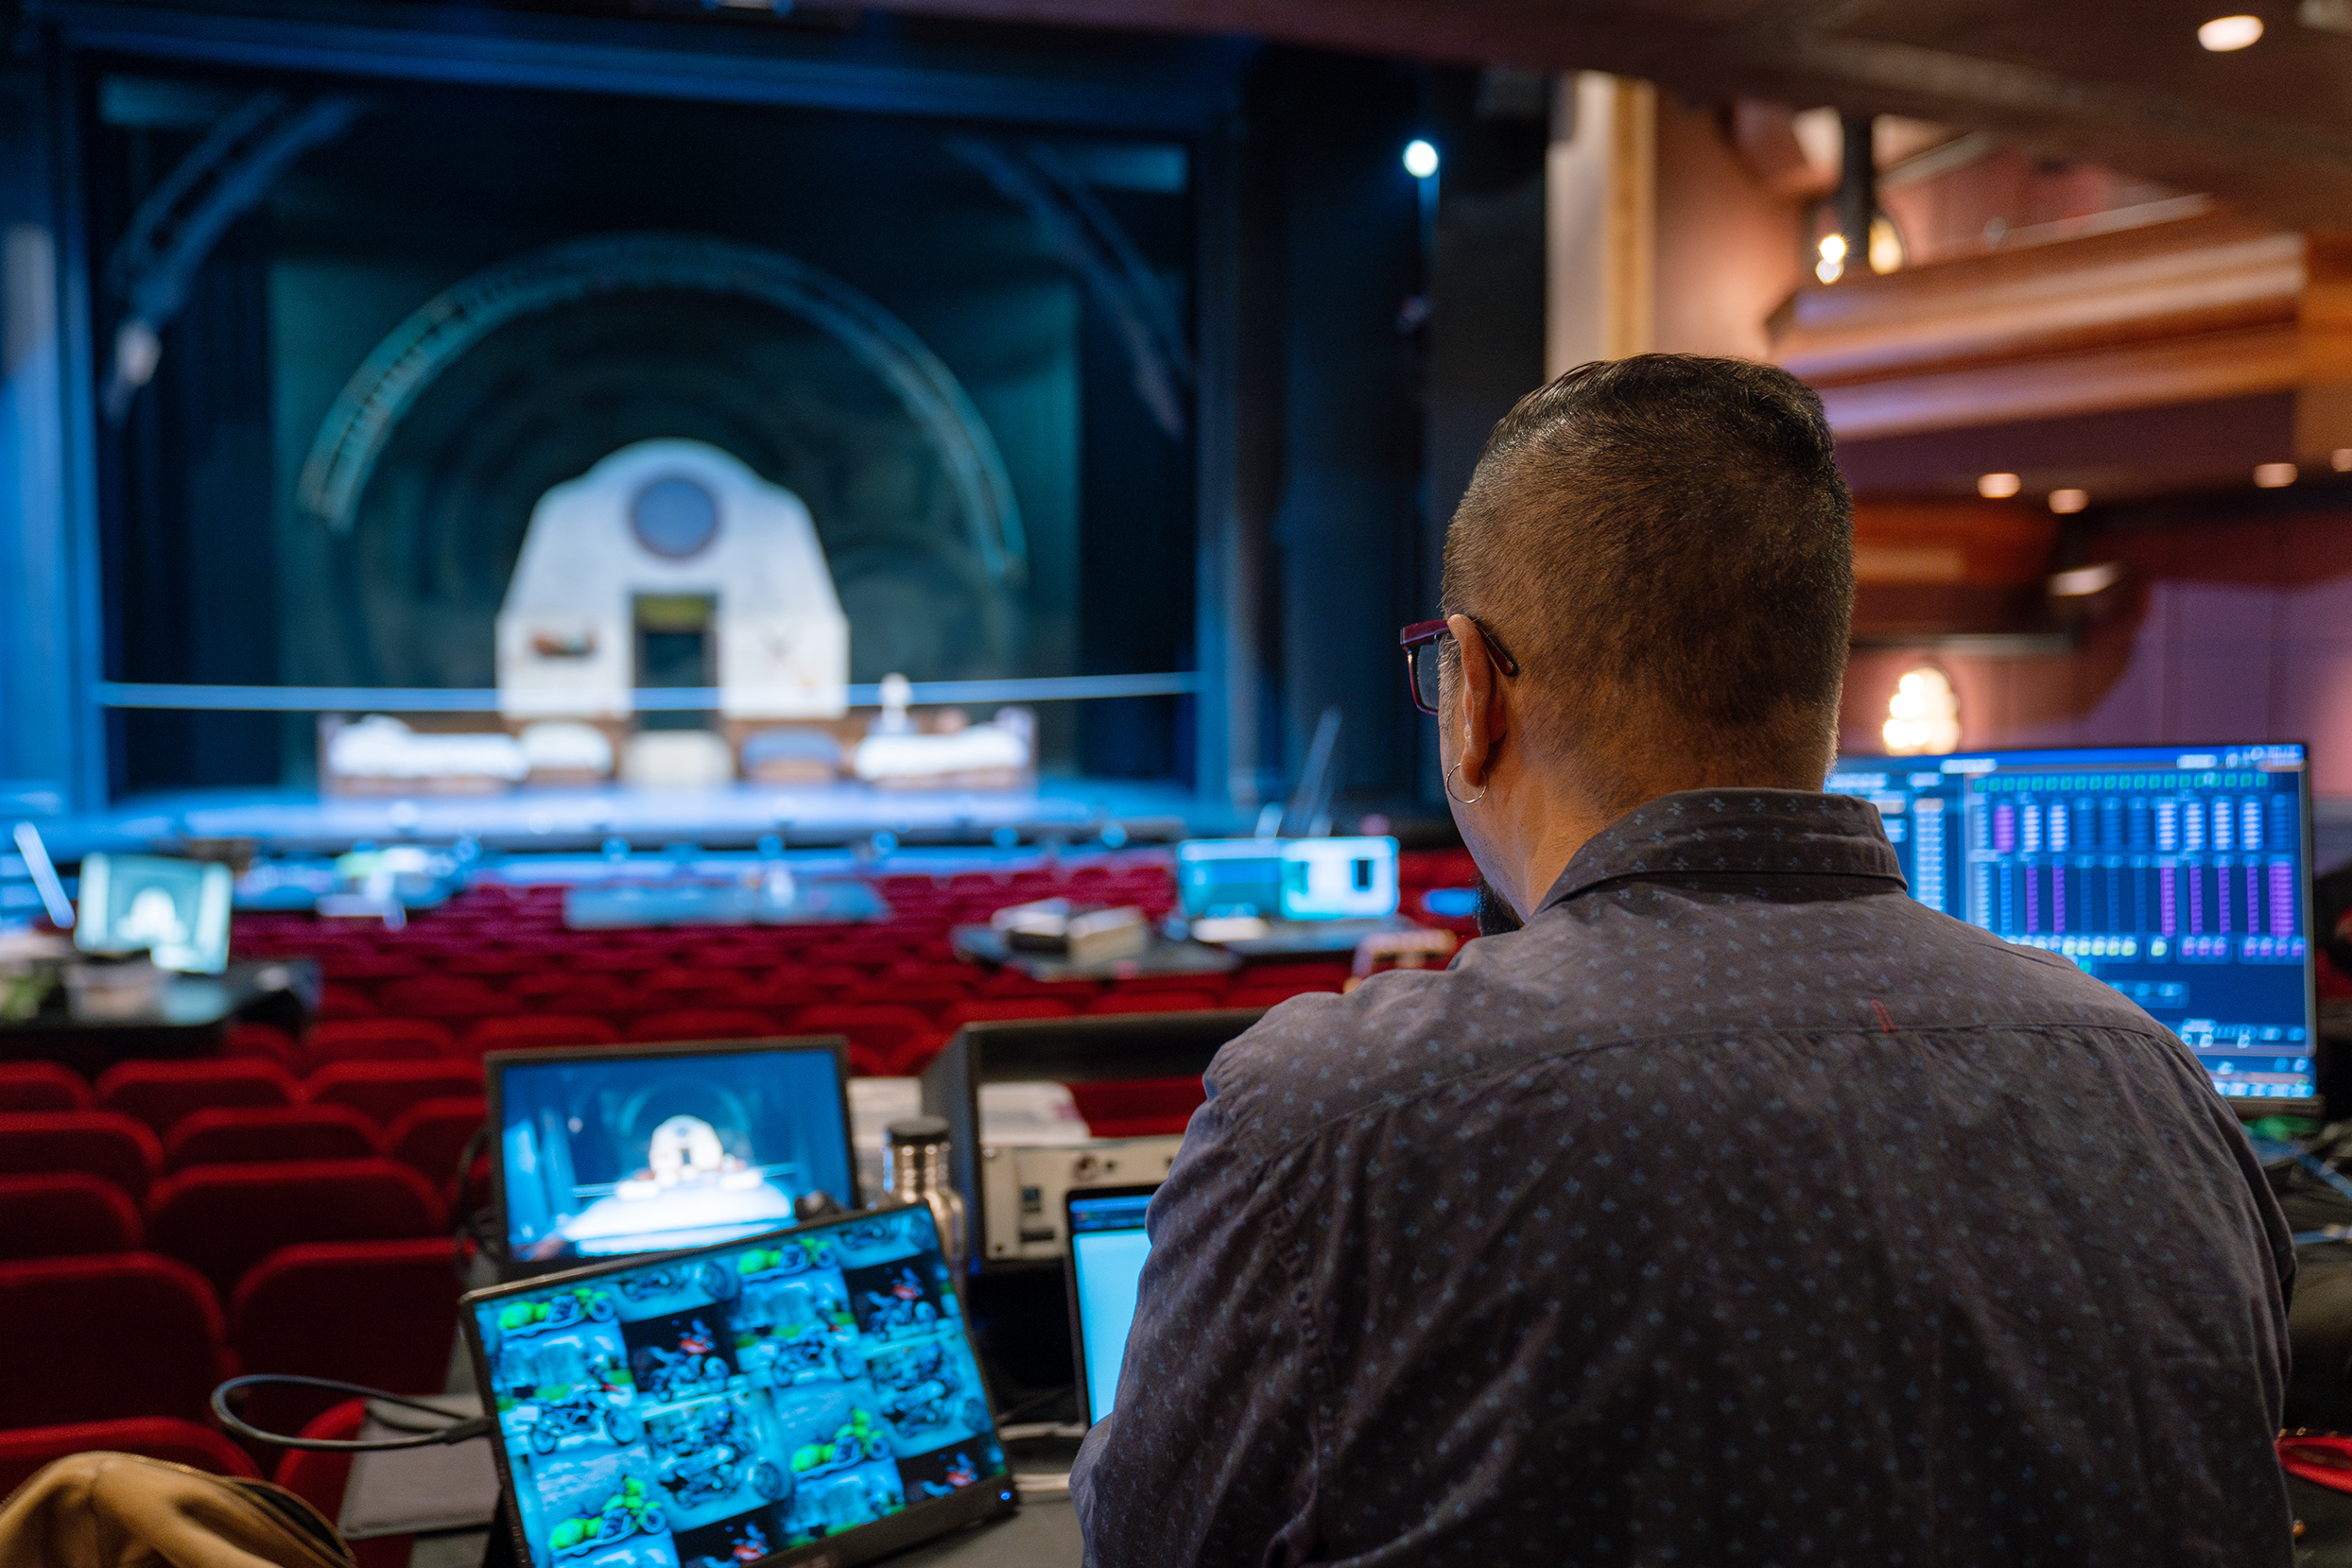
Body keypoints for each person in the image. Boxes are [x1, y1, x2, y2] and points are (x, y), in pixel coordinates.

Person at [1069, 355, 2293, 1565]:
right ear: (1818, 690)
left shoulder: (1329, 1128)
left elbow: (1144, 1546)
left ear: (1476, 689)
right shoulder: (2160, 1093)